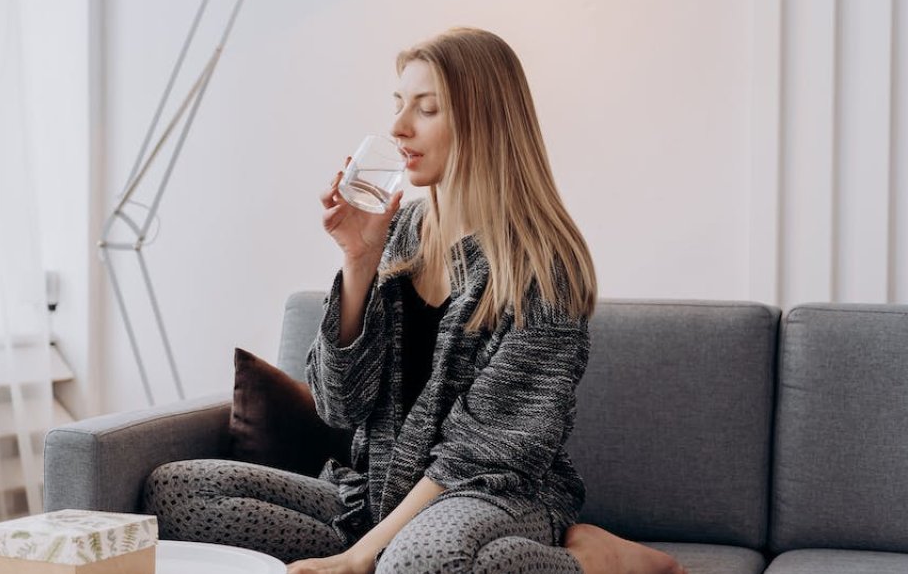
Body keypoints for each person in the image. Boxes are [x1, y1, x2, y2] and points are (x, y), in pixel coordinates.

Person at [143, 28, 687, 574]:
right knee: (178, 493)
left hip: (493, 494)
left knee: (423, 560)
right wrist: (358, 261)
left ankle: (605, 563)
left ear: (485, 121)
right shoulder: (397, 233)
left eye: (426, 109)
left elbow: (481, 452)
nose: (399, 127)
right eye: (399, 104)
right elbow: (339, 408)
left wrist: (360, 556)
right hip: (377, 496)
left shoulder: (540, 268)